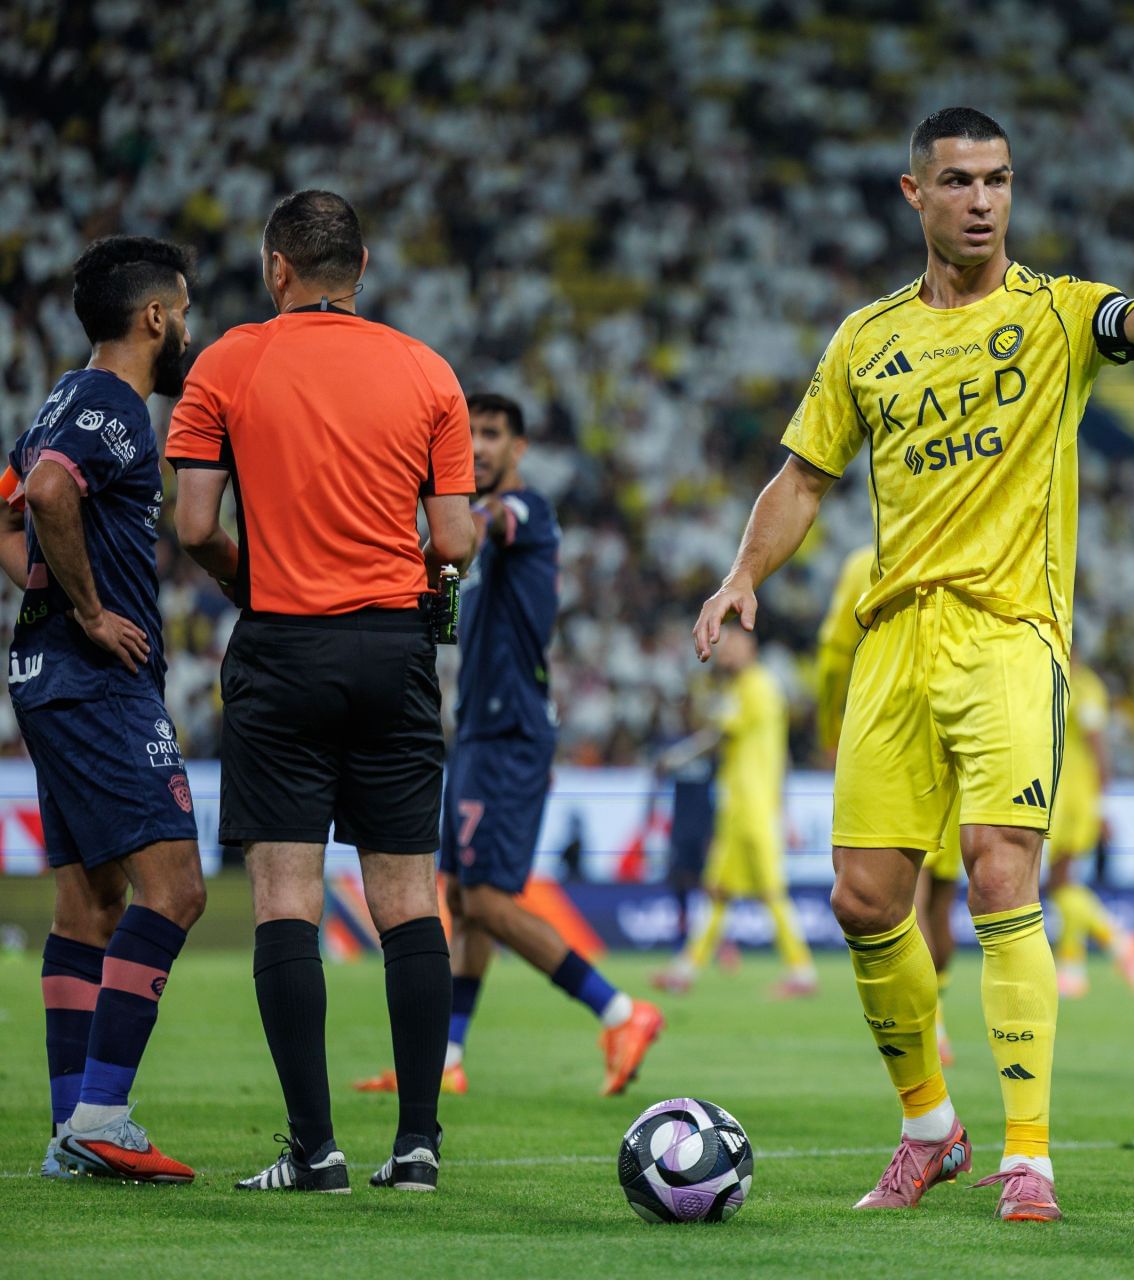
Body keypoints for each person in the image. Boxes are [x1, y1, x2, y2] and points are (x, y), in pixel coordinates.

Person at [691, 107, 1134, 1222]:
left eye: (998, 179)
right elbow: (802, 477)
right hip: (895, 637)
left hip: (1009, 633)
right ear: (916, 196)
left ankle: (1029, 1156)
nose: (983, 200)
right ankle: (929, 1128)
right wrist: (742, 571)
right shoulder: (866, 339)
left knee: (1002, 870)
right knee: (863, 899)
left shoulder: (1056, 315)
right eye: (957, 181)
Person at [168, 190, 477, 1194]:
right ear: (366, 265)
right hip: (393, 649)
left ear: (275, 269)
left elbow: (195, 521)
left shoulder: (226, 362)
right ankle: (420, 1145)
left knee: (286, 896)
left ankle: (315, 1149)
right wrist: (407, 581)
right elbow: (460, 540)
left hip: (283, 645)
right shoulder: (428, 371)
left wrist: (249, 578)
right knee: (404, 899)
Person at [353, 393, 662, 1100]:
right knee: (462, 898)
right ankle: (447, 1057)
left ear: (518, 447)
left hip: (512, 736)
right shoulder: (479, 540)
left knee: (489, 902)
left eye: (492, 434)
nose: (482, 447)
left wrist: (446, 519)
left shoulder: (524, 513)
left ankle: (622, 1010)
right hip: (479, 736)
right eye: (472, 435)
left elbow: (491, 521)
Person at [4, 237, 206, 1182]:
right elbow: (44, 494)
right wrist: (89, 614)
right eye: (187, 310)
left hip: (46, 674)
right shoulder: (112, 404)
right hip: (95, 682)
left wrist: (49, 604)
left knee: (91, 903)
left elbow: (11, 510)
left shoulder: (58, 397)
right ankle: (102, 1115)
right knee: (176, 890)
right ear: (155, 317)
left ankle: (68, 1132)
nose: (188, 329)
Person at [820, 545, 961, 1064]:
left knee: (916, 896)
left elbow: (833, 653)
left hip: (895, 730)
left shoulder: (866, 560)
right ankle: (935, 1009)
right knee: (940, 901)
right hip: (964, 727)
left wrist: (829, 730)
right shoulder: (966, 540)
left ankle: (931, 1022)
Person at [654, 624, 816, 996]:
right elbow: (779, 754)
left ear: (751, 648)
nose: (725, 653)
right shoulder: (744, 688)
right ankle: (685, 970)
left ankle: (802, 972)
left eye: (732, 646)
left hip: (753, 807)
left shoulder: (756, 687)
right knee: (718, 889)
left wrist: (677, 758)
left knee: (771, 890)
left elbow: (717, 736)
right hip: (737, 806)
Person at [1047, 659, 1134, 997]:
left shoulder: (1085, 686)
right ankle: (1078, 965)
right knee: (1063, 881)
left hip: (1071, 796)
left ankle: (1115, 943)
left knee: (1058, 882)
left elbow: (1096, 742)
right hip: (1062, 791)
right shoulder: (1053, 675)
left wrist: (1100, 803)